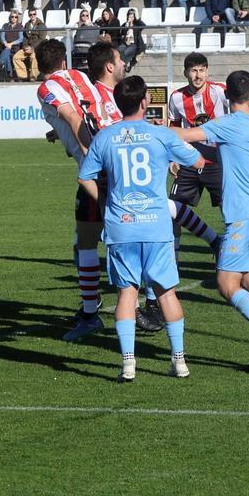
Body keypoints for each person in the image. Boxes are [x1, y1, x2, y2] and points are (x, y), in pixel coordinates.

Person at [78, 76, 200, 381]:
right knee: (166, 293)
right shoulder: (161, 134)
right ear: (145, 101)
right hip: (156, 225)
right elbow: (197, 161)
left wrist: (106, 203)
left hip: (122, 226)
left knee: (126, 295)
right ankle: (179, 361)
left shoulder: (105, 137)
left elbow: (85, 177)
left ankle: (129, 364)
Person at [173, 70, 249, 373]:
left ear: (226, 95)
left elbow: (186, 135)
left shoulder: (229, 124)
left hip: (244, 217)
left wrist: (148, 128)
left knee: (226, 284)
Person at [35, 38, 117, 341]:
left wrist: (92, 158)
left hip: (98, 169)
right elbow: (87, 113)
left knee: (89, 243)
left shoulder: (47, 89)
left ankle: (94, 313)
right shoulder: (81, 76)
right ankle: (137, 304)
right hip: (116, 154)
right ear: (64, 60)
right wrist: (56, 130)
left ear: (38, 65)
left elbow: (73, 116)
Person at [165, 52, 227, 252]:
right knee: (172, 210)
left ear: (207, 71)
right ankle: (173, 259)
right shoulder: (176, 97)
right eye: (193, 71)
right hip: (189, 162)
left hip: (218, 162)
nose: (198, 75)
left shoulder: (220, 92)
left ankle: (231, 253)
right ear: (185, 73)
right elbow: (173, 127)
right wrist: (172, 157)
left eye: (202, 70)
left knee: (229, 210)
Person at [13, 8, 45, 81]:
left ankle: (33, 76)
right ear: (29, 16)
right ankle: (24, 75)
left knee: (33, 57)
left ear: (36, 15)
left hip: (36, 48)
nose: (32, 16)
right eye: (30, 14)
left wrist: (32, 48)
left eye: (34, 14)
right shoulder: (27, 25)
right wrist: (25, 47)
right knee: (16, 57)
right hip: (27, 47)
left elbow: (41, 39)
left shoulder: (41, 25)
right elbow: (24, 37)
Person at [116, 8, 146, 73]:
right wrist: (126, 26)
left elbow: (143, 26)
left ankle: (125, 65)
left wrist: (138, 19)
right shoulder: (125, 24)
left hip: (134, 44)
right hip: (125, 43)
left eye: (132, 16)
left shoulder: (137, 25)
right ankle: (126, 63)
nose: (131, 18)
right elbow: (121, 33)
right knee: (118, 50)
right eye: (129, 16)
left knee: (125, 52)